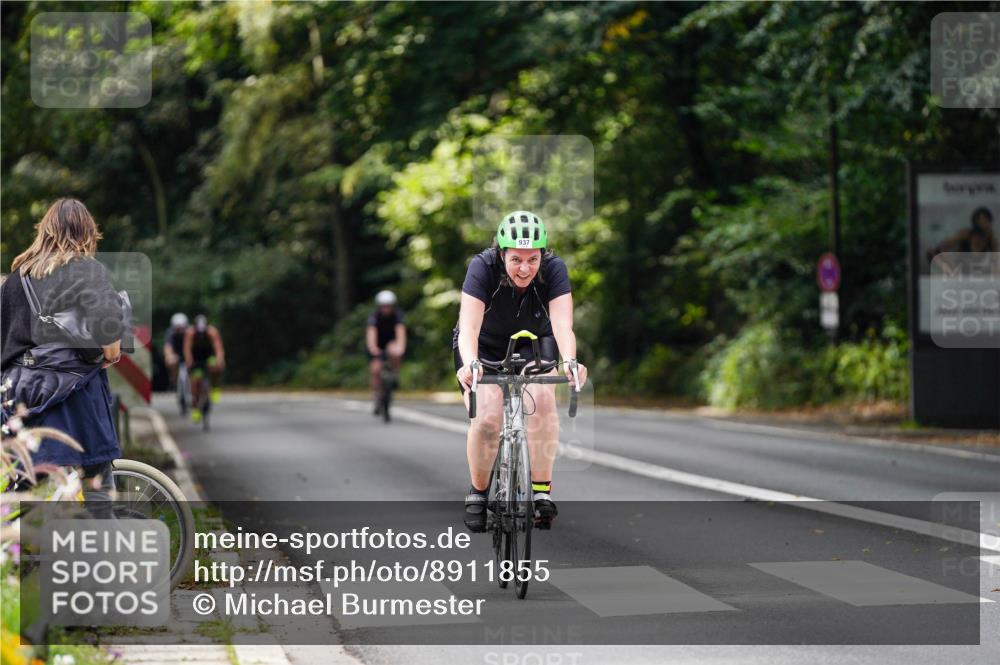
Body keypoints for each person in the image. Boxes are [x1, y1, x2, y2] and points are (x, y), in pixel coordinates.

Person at [453, 211, 588, 532]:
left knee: (542, 400)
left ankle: (541, 492)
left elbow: (562, 325)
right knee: (486, 418)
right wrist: (470, 362)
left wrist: (569, 360)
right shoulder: (482, 267)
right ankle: (479, 493)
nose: (525, 268)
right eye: (516, 260)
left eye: (532, 259)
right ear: (501, 254)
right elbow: (469, 327)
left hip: (534, 341)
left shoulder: (554, 269)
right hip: (483, 344)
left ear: (542, 254)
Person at [0, 198, 126, 500]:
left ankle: (36, 546)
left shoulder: (15, 280)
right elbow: (110, 347)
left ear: (44, 231)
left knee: (30, 488)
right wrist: (109, 354)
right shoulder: (87, 271)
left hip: (20, 398)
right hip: (76, 398)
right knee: (96, 480)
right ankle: (100, 543)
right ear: (87, 233)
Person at [366, 290, 407, 415]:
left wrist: (400, 347)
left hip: (391, 343)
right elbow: (371, 333)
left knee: (395, 351)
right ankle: (377, 396)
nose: (386, 308)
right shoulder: (374, 316)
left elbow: (400, 332)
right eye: (383, 306)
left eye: (388, 305)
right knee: (376, 370)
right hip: (378, 344)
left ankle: (395, 375)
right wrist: (373, 348)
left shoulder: (397, 315)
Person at [183, 314, 225, 421]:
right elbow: (187, 350)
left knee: (216, 367)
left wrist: (219, 360)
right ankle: (196, 408)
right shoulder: (190, 333)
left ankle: (214, 387)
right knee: (195, 381)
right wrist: (189, 361)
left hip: (208, 356)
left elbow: (218, 348)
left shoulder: (212, 332)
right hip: (196, 358)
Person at [163, 312, 189, 388]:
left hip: (189, 355)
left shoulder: (190, 332)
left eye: (182, 328)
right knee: (171, 361)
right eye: (178, 328)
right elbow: (168, 347)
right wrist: (169, 356)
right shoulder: (170, 333)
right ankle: (175, 380)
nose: (180, 330)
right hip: (177, 355)